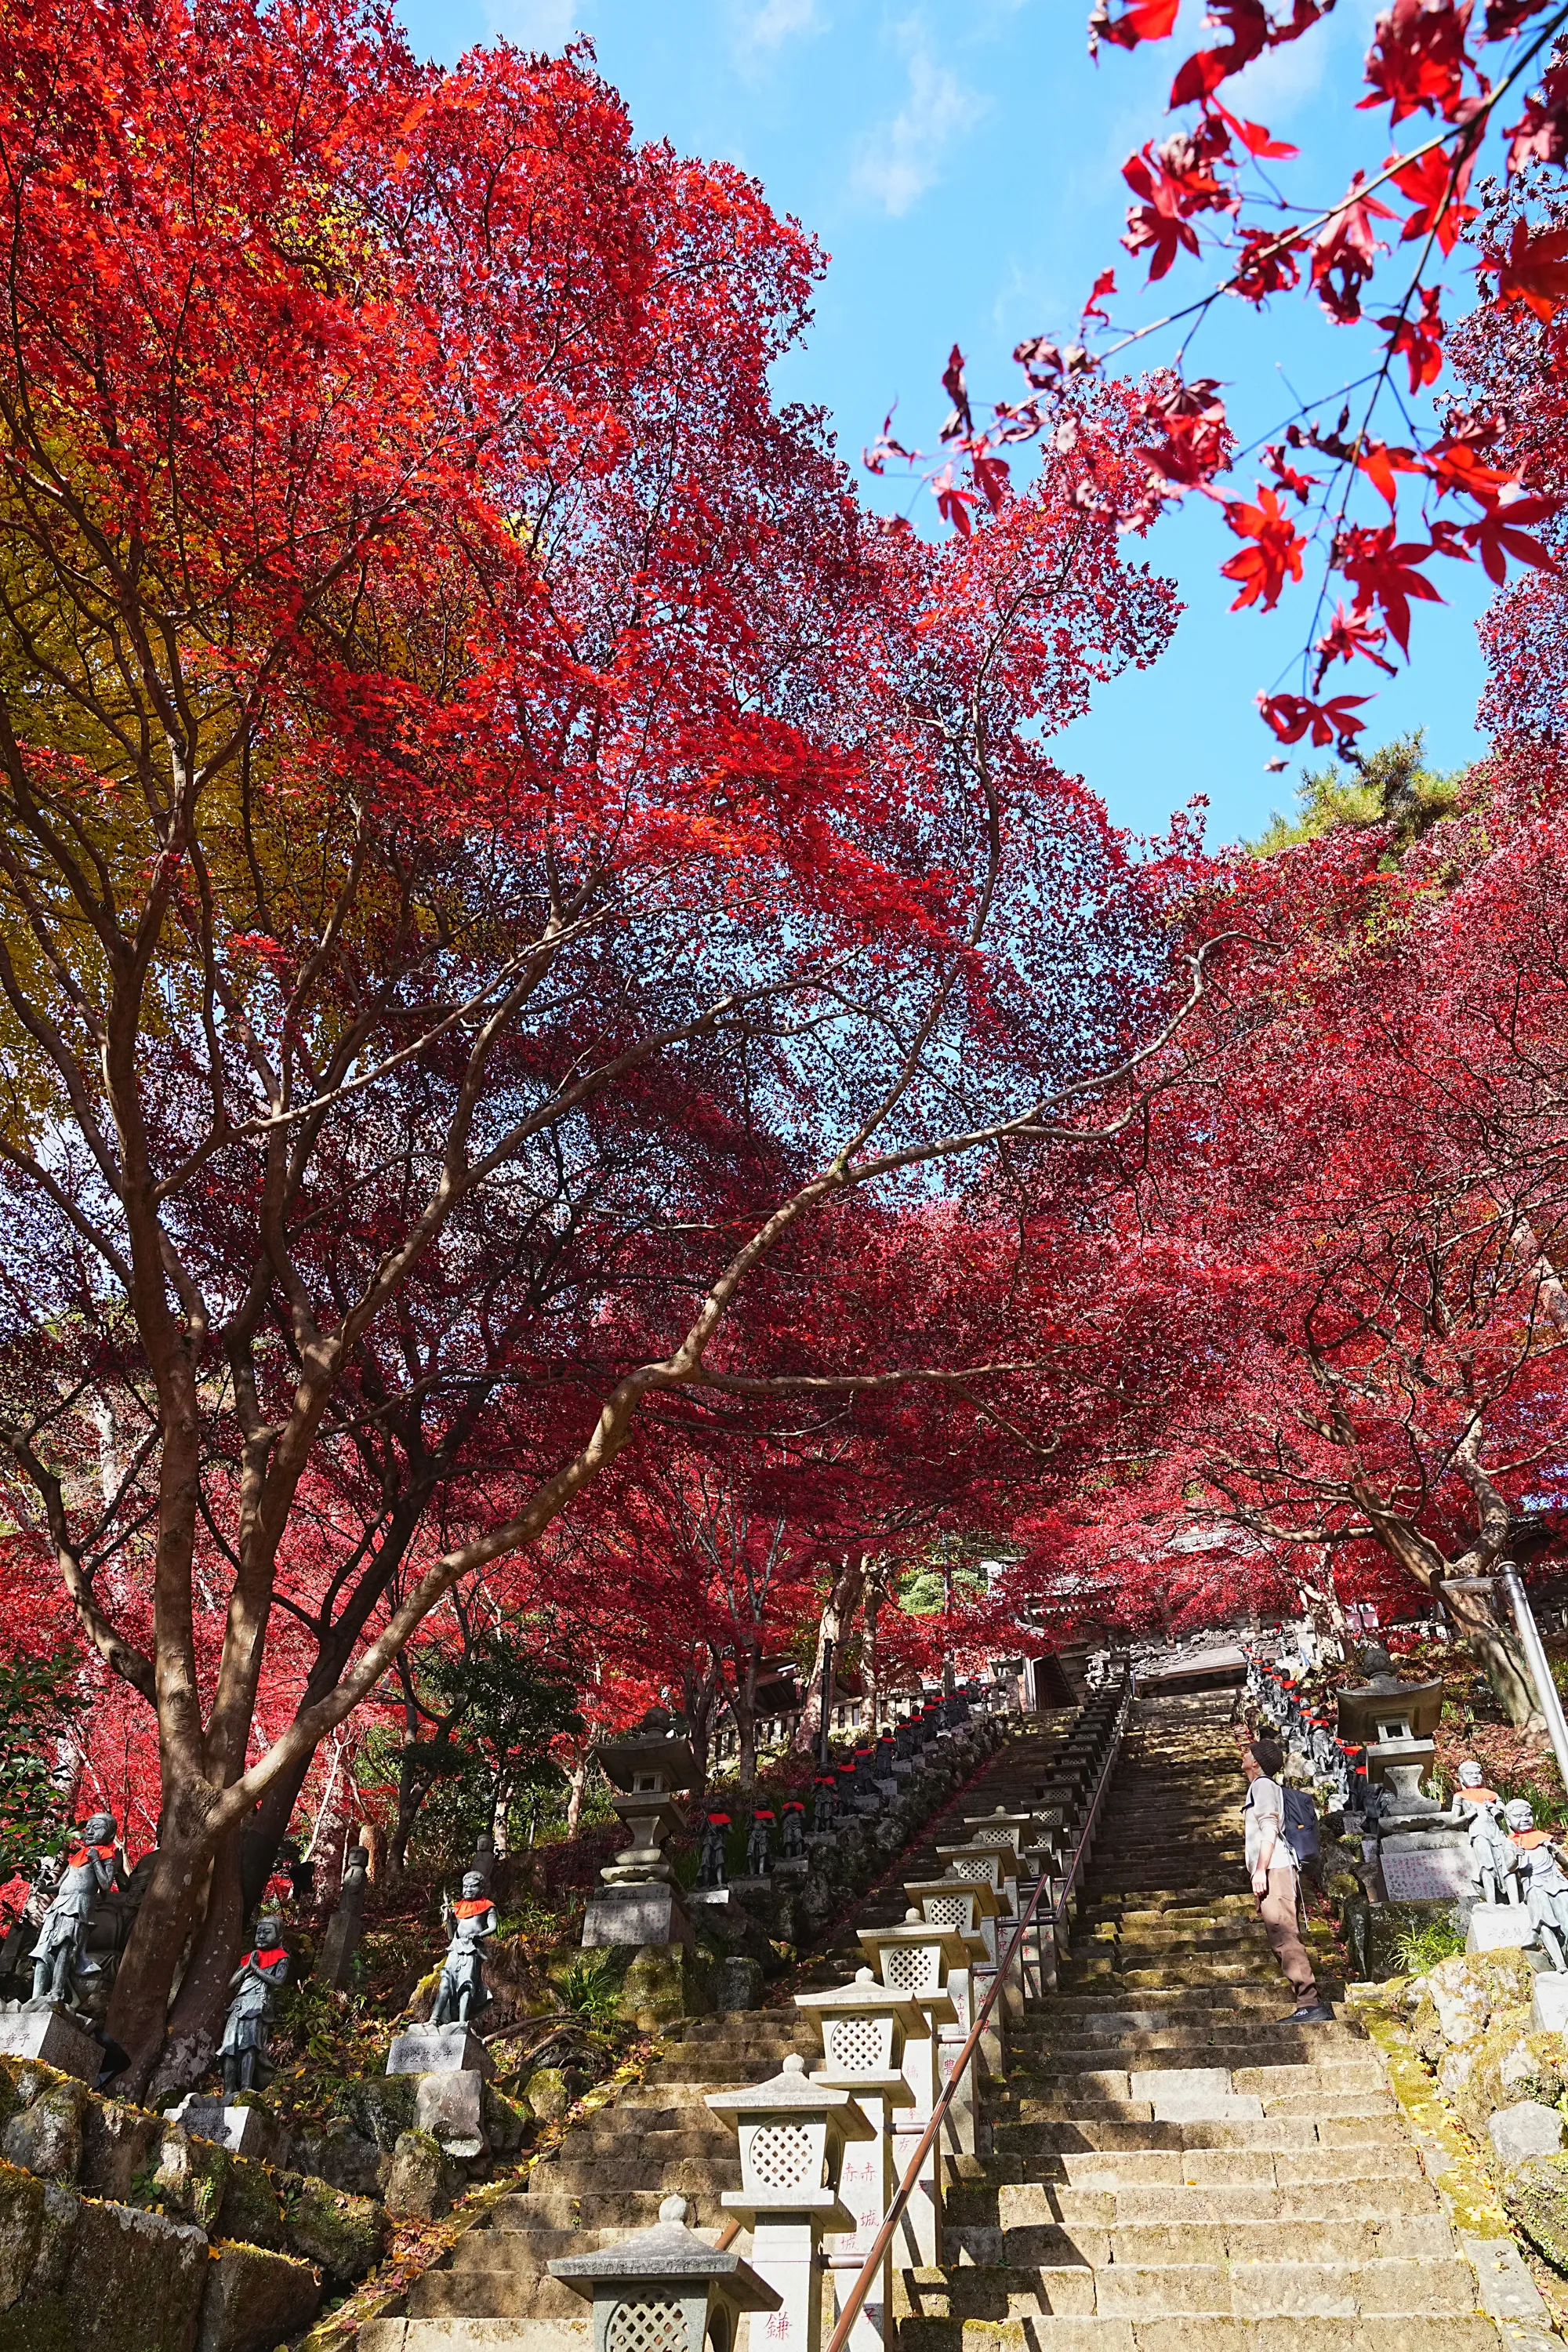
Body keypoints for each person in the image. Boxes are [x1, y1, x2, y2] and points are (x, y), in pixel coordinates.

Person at [1242, 1737, 1332, 2023]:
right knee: (1281, 1934)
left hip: (1275, 1868)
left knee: (1283, 1933)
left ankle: (1309, 2003)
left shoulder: (1263, 1786)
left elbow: (1269, 1828)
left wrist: (1260, 1870)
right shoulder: (1262, 1787)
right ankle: (1308, 2001)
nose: (1243, 1754)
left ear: (1255, 1761)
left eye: (1248, 1751)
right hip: (1276, 1868)